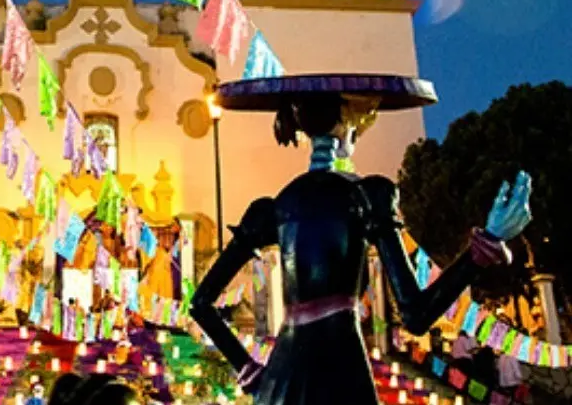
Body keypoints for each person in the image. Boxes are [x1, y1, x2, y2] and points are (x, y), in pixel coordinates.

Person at [189, 81, 533, 405]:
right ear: (349, 125)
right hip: (341, 371)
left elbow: (201, 303)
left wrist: (250, 371)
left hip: (282, 380)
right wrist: (484, 246)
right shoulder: (365, 196)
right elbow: (415, 313)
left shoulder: (276, 206)